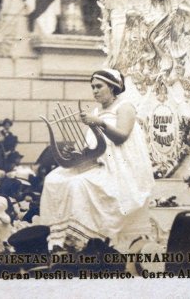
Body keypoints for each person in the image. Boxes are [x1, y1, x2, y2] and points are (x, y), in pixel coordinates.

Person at [39, 69, 154, 249]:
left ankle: (81, 240)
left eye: (99, 86)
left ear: (113, 87)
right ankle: (58, 238)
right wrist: (73, 150)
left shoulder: (125, 107)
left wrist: (99, 122)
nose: (94, 91)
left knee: (78, 185)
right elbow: (90, 144)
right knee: (53, 179)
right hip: (96, 163)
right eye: (92, 87)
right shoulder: (96, 111)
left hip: (121, 169)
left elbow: (121, 136)